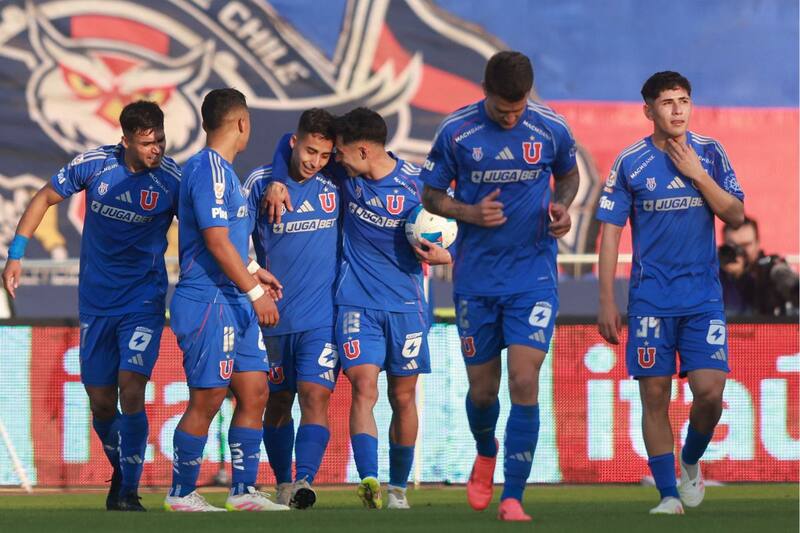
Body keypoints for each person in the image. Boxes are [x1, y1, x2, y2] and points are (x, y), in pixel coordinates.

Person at [419, 51, 580, 522]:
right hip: (476, 280)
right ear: (485, 92)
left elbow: (567, 176)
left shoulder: (551, 128)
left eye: (519, 109)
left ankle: (513, 497)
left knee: (525, 380)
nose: (512, 118)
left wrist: (562, 207)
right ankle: (485, 450)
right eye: (503, 110)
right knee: (484, 392)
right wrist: (469, 214)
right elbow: (429, 193)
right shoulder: (457, 132)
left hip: (533, 277)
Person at [266, 107, 452, 510]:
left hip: (406, 307)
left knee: (403, 398)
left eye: (342, 153)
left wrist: (449, 256)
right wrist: (280, 180)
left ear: (364, 150)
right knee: (363, 389)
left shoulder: (417, 185)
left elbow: (457, 223)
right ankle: (369, 479)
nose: (332, 161)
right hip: (355, 304)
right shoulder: (344, 176)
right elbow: (289, 142)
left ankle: (398, 489)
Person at [2, 101, 180, 511]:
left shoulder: (172, 180)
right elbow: (45, 197)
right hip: (97, 304)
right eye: (148, 142)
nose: (157, 149)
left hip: (143, 301)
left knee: (132, 389)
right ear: (126, 141)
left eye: (161, 140)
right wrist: (16, 254)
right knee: (101, 400)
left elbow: (207, 227)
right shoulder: (95, 165)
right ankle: (121, 469)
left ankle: (129, 491)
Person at [596, 71, 745, 515]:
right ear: (649, 110)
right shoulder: (630, 163)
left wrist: (698, 175)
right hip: (650, 300)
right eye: (667, 102)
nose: (677, 109)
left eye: (683, 100)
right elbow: (609, 235)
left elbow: (736, 215)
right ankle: (666, 495)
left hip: (702, 299)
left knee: (710, 391)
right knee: (654, 395)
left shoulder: (710, 153)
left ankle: (690, 459)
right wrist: (607, 300)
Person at [164, 88, 287, 512]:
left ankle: (244, 492)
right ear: (242, 123)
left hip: (234, 297)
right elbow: (215, 242)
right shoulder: (207, 170)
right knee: (209, 398)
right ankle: (181, 493)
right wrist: (256, 293)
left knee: (254, 392)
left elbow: (227, 241)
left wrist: (253, 271)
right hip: (208, 301)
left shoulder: (226, 174)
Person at [244, 108, 340, 509]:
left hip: (322, 319)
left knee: (315, 396)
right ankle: (283, 483)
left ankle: (304, 481)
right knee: (279, 402)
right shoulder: (260, 183)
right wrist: (254, 284)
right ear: (295, 141)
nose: (314, 162)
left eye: (323, 155)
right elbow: (231, 243)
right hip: (275, 319)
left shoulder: (335, 183)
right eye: (310, 150)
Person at [721, 217, 798, 316]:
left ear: (757, 243)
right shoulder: (712, 273)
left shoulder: (769, 270)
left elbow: (789, 282)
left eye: (746, 245)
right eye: (733, 246)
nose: (739, 252)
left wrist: (741, 276)